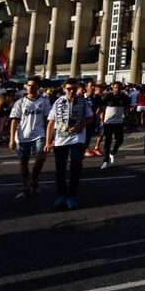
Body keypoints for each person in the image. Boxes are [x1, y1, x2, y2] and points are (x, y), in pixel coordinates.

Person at [46, 81, 93, 210]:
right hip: (61, 140)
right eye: (68, 89)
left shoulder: (83, 102)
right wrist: (47, 142)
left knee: (75, 166)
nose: (71, 91)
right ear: (63, 89)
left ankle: (72, 195)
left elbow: (90, 118)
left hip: (77, 139)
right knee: (60, 169)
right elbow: (51, 122)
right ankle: (61, 195)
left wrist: (80, 126)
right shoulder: (58, 102)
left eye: (73, 89)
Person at [9, 77, 50, 200]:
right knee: (23, 161)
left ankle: (34, 179)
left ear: (38, 87)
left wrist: (49, 138)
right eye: (29, 85)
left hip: (39, 134)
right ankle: (26, 186)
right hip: (22, 137)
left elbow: (48, 120)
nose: (31, 88)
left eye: (34, 85)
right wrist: (11, 139)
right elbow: (14, 122)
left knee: (40, 157)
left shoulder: (44, 101)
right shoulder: (20, 102)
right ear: (26, 87)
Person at [100, 81, 129, 170]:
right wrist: (102, 120)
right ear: (112, 87)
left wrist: (126, 118)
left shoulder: (124, 97)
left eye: (119, 87)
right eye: (115, 87)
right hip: (108, 122)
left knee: (120, 140)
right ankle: (105, 161)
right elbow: (102, 109)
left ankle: (113, 152)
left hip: (119, 122)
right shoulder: (108, 96)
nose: (117, 89)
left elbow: (127, 108)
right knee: (107, 142)